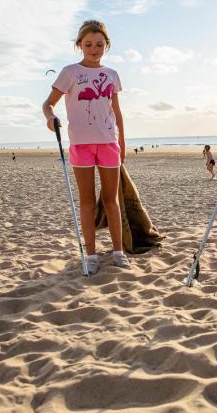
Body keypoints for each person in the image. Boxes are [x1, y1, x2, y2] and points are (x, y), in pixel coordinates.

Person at [42, 19, 129, 275]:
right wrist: (50, 118)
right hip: (81, 144)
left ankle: (118, 251)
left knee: (111, 200)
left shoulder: (112, 75)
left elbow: (117, 112)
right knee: (87, 202)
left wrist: (122, 142)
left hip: (108, 143)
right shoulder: (70, 72)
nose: (94, 48)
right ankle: (90, 253)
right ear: (80, 44)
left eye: (99, 44)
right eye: (88, 44)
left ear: (107, 46)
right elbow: (48, 104)